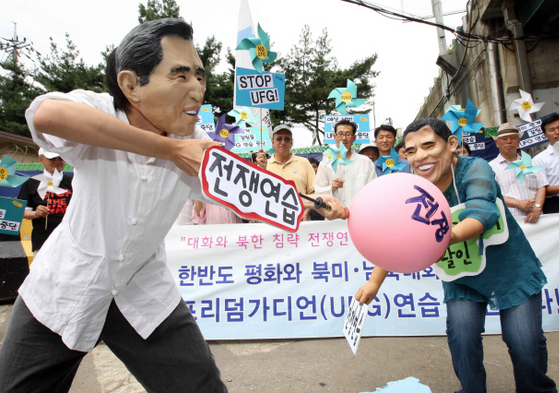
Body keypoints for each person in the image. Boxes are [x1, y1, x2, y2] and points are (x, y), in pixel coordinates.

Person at [0, 19, 348, 393]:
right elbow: (46, 115)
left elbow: (256, 190)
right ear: (131, 85)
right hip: (64, 285)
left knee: (201, 386)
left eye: (200, 76)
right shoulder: (101, 110)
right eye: (180, 76)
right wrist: (169, 149)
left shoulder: (198, 145)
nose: (197, 89)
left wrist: (315, 204)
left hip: (143, 290)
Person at [356, 118, 557, 393]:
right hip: (461, 277)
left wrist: (442, 237)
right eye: (411, 151)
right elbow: (395, 236)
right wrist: (374, 283)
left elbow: (482, 213)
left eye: (428, 146)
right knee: (462, 338)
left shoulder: (475, 168)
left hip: (511, 269)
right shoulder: (410, 188)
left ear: (451, 144)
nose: (420, 157)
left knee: (524, 342)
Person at [17, 148, 73, 257]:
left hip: (69, 241)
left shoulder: (73, 182)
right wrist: (35, 214)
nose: (57, 161)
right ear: (41, 160)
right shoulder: (32, 183)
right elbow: (19, 211)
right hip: (42, 240)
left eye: (61, 158)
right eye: (52, 158)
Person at [489, 122, 548, 223]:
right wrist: (518, 203)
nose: (509, 141)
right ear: (497, 143)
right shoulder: (491, 167)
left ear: (519, 141)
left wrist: (537, 207)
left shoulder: (530, 162)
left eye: (513, 138)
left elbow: (542, 186)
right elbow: (492, 194)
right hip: (509, 220)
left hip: (536, 218)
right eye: (504, 139)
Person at [315, 119, 377, 207]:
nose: (344, 138)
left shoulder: (365, 162)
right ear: (334, 137)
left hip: (360, 213)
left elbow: (374, 190)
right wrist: (331, 188)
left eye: (348, 134)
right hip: (334, 215)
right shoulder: (326, 163)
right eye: (340, 134)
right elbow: (317, 191)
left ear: (354, 138)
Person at [256, 124, 315, 195]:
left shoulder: (304, 163)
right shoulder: (264, 166)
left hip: (302, 206)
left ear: (291, 143)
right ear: (272, 142)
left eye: (287, 139)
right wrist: (262, 169)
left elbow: (313, 192)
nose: (283, 142)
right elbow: (259, 193)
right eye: (279, 139)